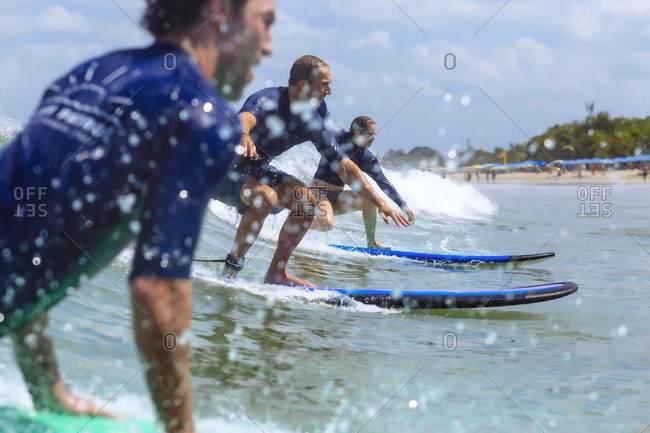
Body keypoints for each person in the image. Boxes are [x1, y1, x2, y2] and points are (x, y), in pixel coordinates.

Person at [0, 1, 275, 432]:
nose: (270, 45)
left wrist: (46, 391)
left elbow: (22, 233)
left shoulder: (90, 74)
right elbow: (159, 291)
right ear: (220, 12)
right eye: (266, 22)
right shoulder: (202, 115)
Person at [219, 55, 411, 286]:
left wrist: (380, 203)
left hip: (258, 169)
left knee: (308, 203)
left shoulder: (314, 118)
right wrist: (244, 135)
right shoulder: (268, 99)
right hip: (224, 170)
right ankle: (230, 272)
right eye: (325, 84)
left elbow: (345, 166)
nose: (329, 90)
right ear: (303, 85)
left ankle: (276, 274)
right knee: (267, 197)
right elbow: (245, 117)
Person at [310, 116, 414, 249]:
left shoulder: (367, 158)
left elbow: (383, 182)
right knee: (325, 223)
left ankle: (372, 244)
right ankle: (298, 224)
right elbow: (322, 118)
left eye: (374, 134)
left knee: (371, 201)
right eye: (370, 134)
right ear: (357, 132)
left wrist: (403, 205)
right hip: (317, 193)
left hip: (337, 198)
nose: (374, 137)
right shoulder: (338, 138)